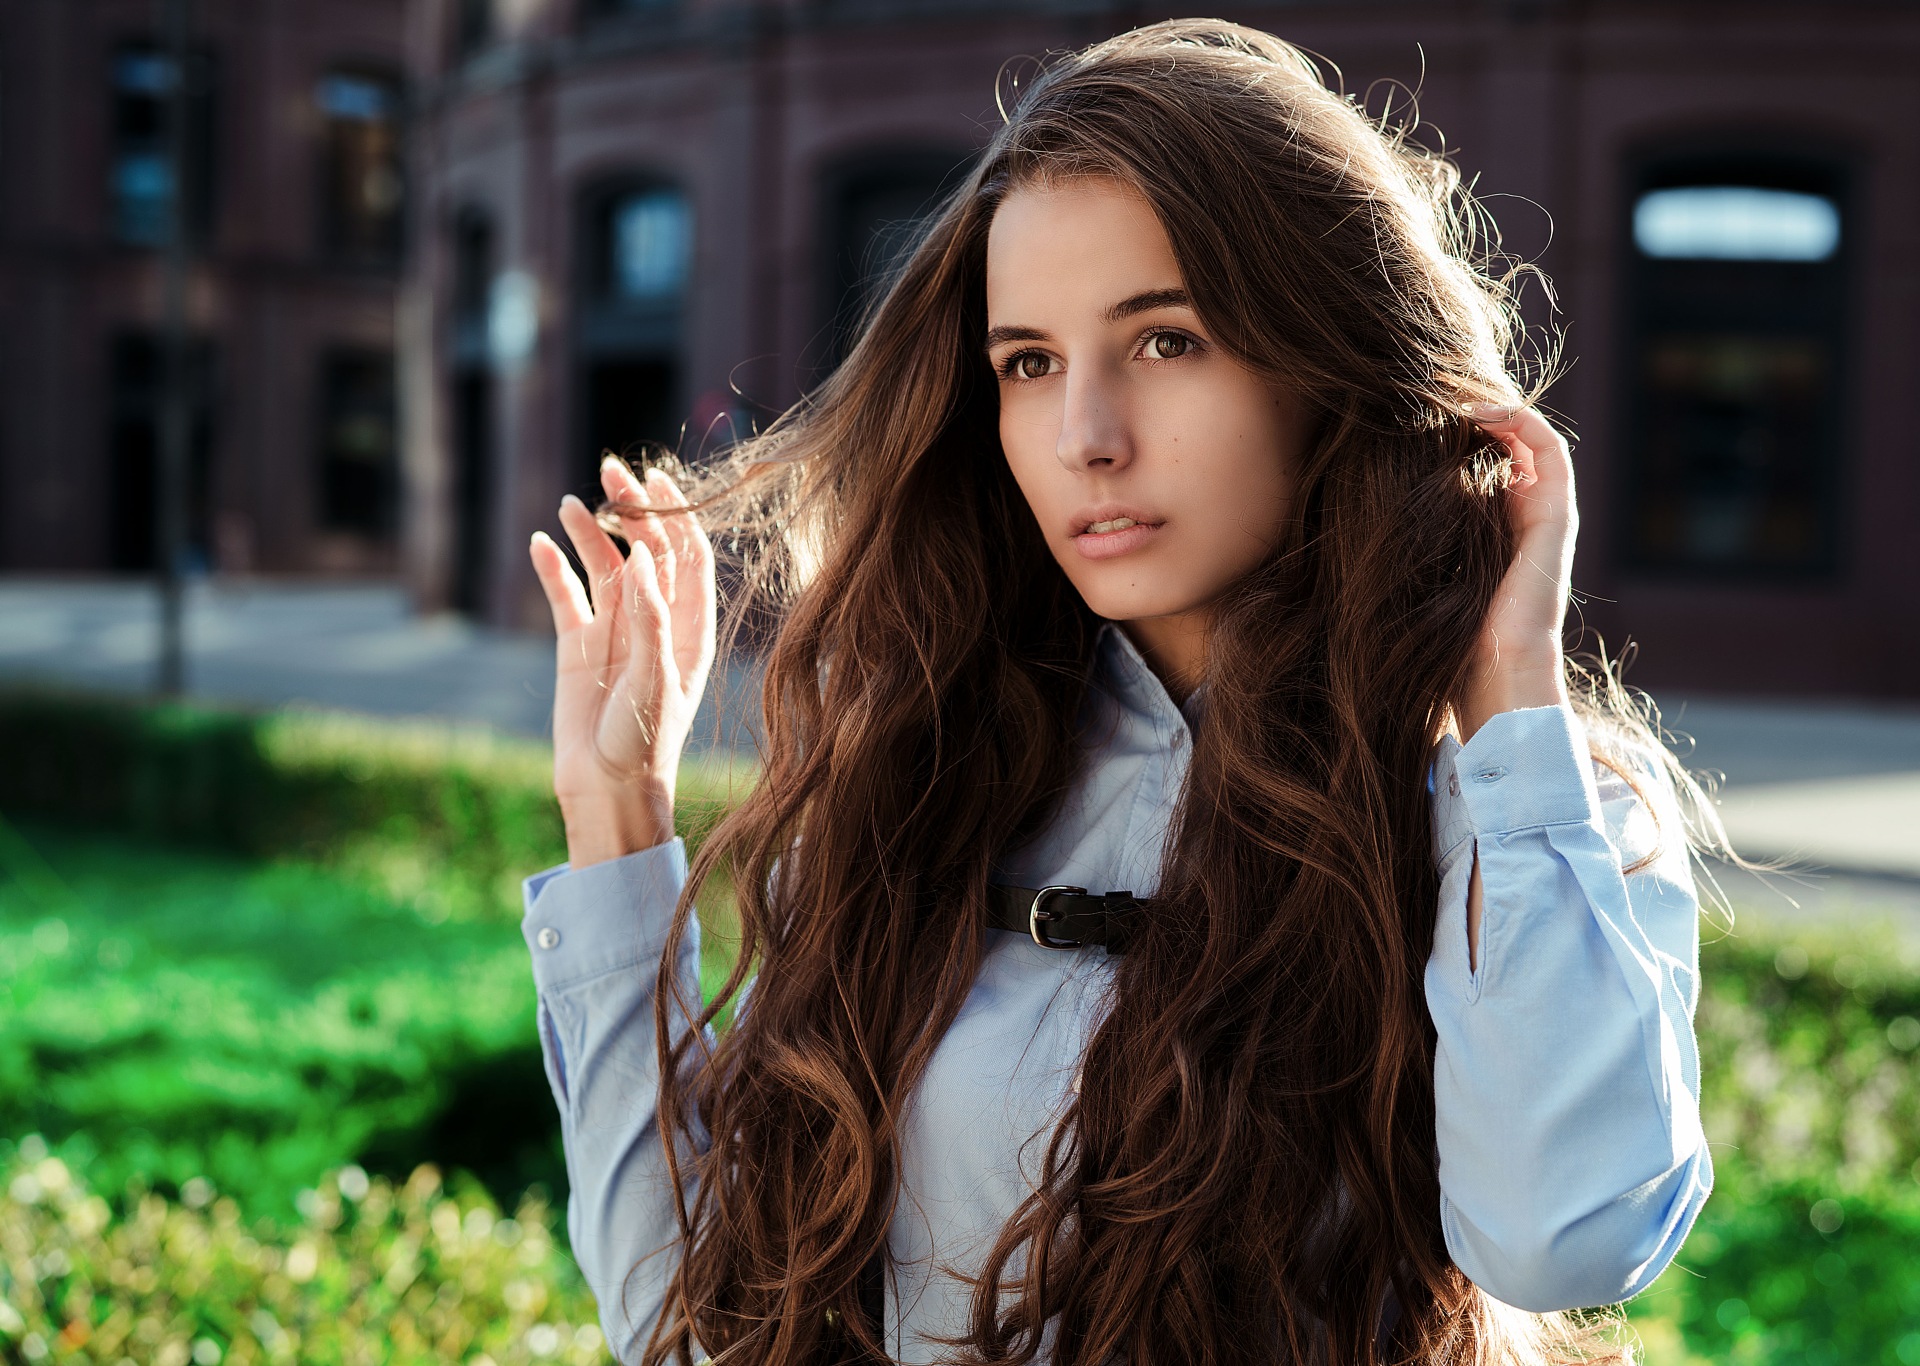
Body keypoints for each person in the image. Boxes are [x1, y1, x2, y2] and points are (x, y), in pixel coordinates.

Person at [520, 21, 1715, 1366]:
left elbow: (1568, 1238)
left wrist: (1506, 695)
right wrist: (616, 818)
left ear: (1327, 360)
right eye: (1028, 363)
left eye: (1167, 342)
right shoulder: (917, 786)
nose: (1086, 433)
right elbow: (689, 1327)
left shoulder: (1527, 814)